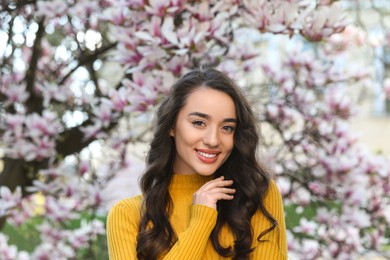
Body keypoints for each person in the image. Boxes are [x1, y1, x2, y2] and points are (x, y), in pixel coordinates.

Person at [106, 67, 288, 259]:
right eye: (199, 123)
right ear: (171, 126)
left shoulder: (256, 196)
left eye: (227, 127)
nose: (212, 140)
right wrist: (200, 223)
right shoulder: (126, 215)